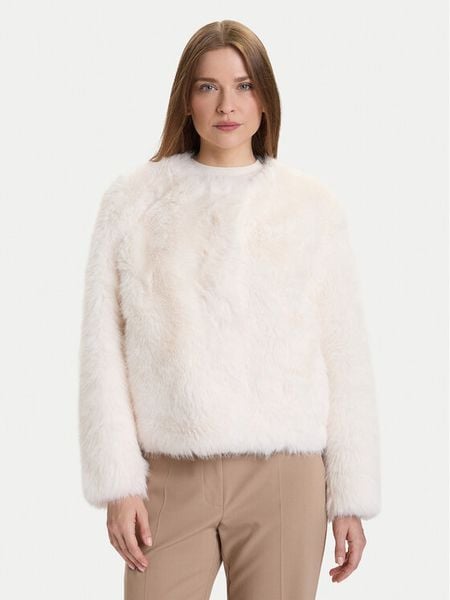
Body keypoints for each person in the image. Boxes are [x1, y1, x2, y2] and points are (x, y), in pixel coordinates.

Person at [78, 19, 381, 600]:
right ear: (185, 99)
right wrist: (118, 483)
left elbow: (344, 357)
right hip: (171, 474)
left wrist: (349, 497)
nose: (227, 105)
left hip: (285, 476)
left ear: (265, 99)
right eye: (207, 86)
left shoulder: (310, 208)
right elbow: (102, 350)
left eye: (243, 86)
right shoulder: (133, 203)